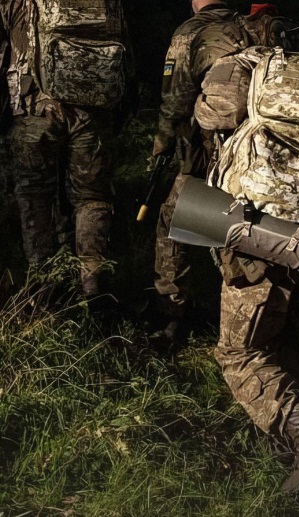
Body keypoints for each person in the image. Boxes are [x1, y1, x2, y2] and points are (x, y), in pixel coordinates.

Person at [0, 0, 132, 297]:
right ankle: (93, 284)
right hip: (94, 108)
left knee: (35, 194)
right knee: (92, 195)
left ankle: (44, 284)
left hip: (35, 107)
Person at [149, 0, 248, 338]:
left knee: (173, 220)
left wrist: (162, 143)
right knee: (243, 224)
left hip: (210, 150)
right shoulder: (248, 28)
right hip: (255, 152)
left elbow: (175, 100)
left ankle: (171, 311)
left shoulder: (190, 32)